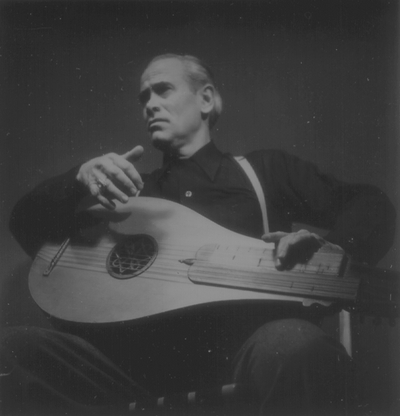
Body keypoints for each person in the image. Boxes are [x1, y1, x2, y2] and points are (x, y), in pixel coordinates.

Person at [1, 54, 396, 415]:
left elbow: (370, 205)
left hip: (247, 358)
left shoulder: (265, 171)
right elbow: (26, 223)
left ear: (205, 100)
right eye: (144, 98)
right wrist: (79, 178)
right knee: (9, 350)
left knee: (296, 344)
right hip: (130, 371)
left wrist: (335, 249)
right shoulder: (131, 194)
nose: (150, 105)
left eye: (163, 90)